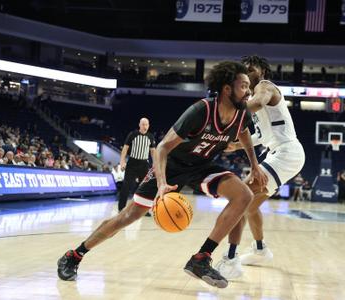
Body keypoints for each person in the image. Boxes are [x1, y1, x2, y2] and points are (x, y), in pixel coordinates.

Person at [57, 61, 268, 288]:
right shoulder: (201, 111)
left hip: (202, 166)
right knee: (128, 217)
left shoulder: (241, 114)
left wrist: (254, 164)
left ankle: (202, 258)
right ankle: (75, 255)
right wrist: (161, 184)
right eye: (244, 86)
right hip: (172, 166)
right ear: (227, 89)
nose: (249, 92)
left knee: (244, 195)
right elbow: (162, 148)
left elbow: (243, 132)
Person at [215, 55, 305, 279]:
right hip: (278, 153)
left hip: (286, 152)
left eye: (250, 68)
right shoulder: (250, 97)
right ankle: (260, 249)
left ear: (262, 72)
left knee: (241, 197)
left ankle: (231, 259)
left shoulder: (265, 87)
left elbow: (257, 103)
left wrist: (230, 107)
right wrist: (235, 145)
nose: (246, 71)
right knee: (251, 206)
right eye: (243, 69)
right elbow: (262, 135)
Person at [118, 118, 156, 212]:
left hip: (144, 164)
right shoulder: (133, 134)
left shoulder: (151, 136)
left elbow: (153, 152)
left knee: (144, 188)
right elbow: (125, 149)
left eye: (146, 124)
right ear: (139, 125)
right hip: (132, 163)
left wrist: (155, 164)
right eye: (143, 124)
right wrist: (122, 162)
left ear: (149, 125)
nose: (145, 126)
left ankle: (144, 209)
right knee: (126, 186)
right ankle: (121, 208)